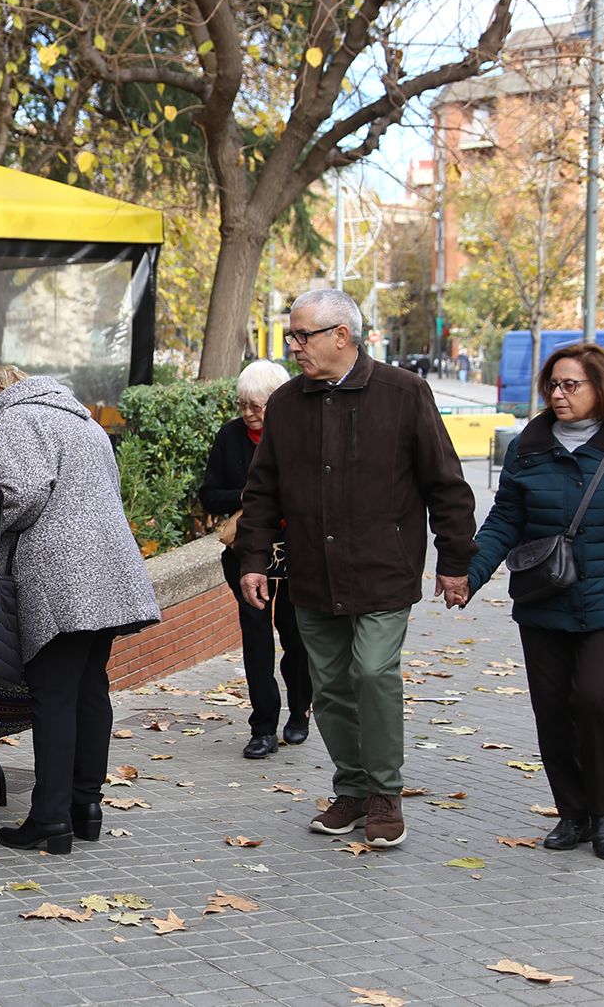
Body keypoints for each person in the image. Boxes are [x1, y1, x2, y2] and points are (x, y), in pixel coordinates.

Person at [236, 289, 476, 850]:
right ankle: (353, 789)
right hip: (312, 574)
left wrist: (455, 561)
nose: (292, 346)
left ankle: (385, 794)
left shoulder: (403, 392)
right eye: (290, 335)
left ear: (341, 335)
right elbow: (262, 488)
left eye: (302, 336)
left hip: (382, 570)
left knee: (372, 673)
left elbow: (446, 483)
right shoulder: (289, 403)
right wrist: (253, 559)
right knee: (332, 686)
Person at [467, 342, 604, 861]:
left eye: (571, 385)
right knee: (551, 709)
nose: (558, 394)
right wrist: (469, 574)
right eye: (554, 384)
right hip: (545, 597)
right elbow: (505, 521)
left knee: (593, 697)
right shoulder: (529, 446)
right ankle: (573, 814)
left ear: (602, 388)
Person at [0, 365, 159, 855]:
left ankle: (49, 819)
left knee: (53, 696)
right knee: (90, 689)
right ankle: (85, 807)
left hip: (60, 576)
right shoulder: (82, 421)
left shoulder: (16, 419)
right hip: (108, 572)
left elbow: (25, 492)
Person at [199, 359, 311, 760]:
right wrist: (250, 497)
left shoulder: (297, 434)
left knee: (295, 635)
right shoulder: (229, 437)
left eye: (256, 405)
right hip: (246, 553)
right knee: (256, 639)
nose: (248, 413)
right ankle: (262, 726)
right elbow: (209, 494)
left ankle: (299, 711)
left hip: (295, 550)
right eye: (243, 404)